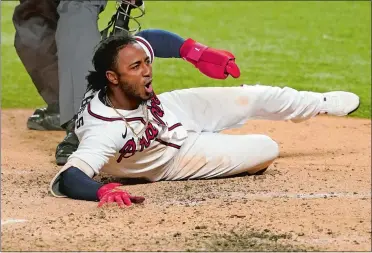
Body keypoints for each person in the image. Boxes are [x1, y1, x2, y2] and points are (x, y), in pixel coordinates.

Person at [49, 32, 360, 208]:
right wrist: (101, 191)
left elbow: (148, 39)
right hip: (169, 160)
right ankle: (221, 144)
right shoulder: (104, 130)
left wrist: (194, 52)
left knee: (251, 97)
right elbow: (70, 177)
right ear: (112, 78)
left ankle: (319, 103)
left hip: (169, 111)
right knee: (266, 148)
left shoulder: (119, 74)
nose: (147, 70)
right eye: (136, 67)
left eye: (146, 63)